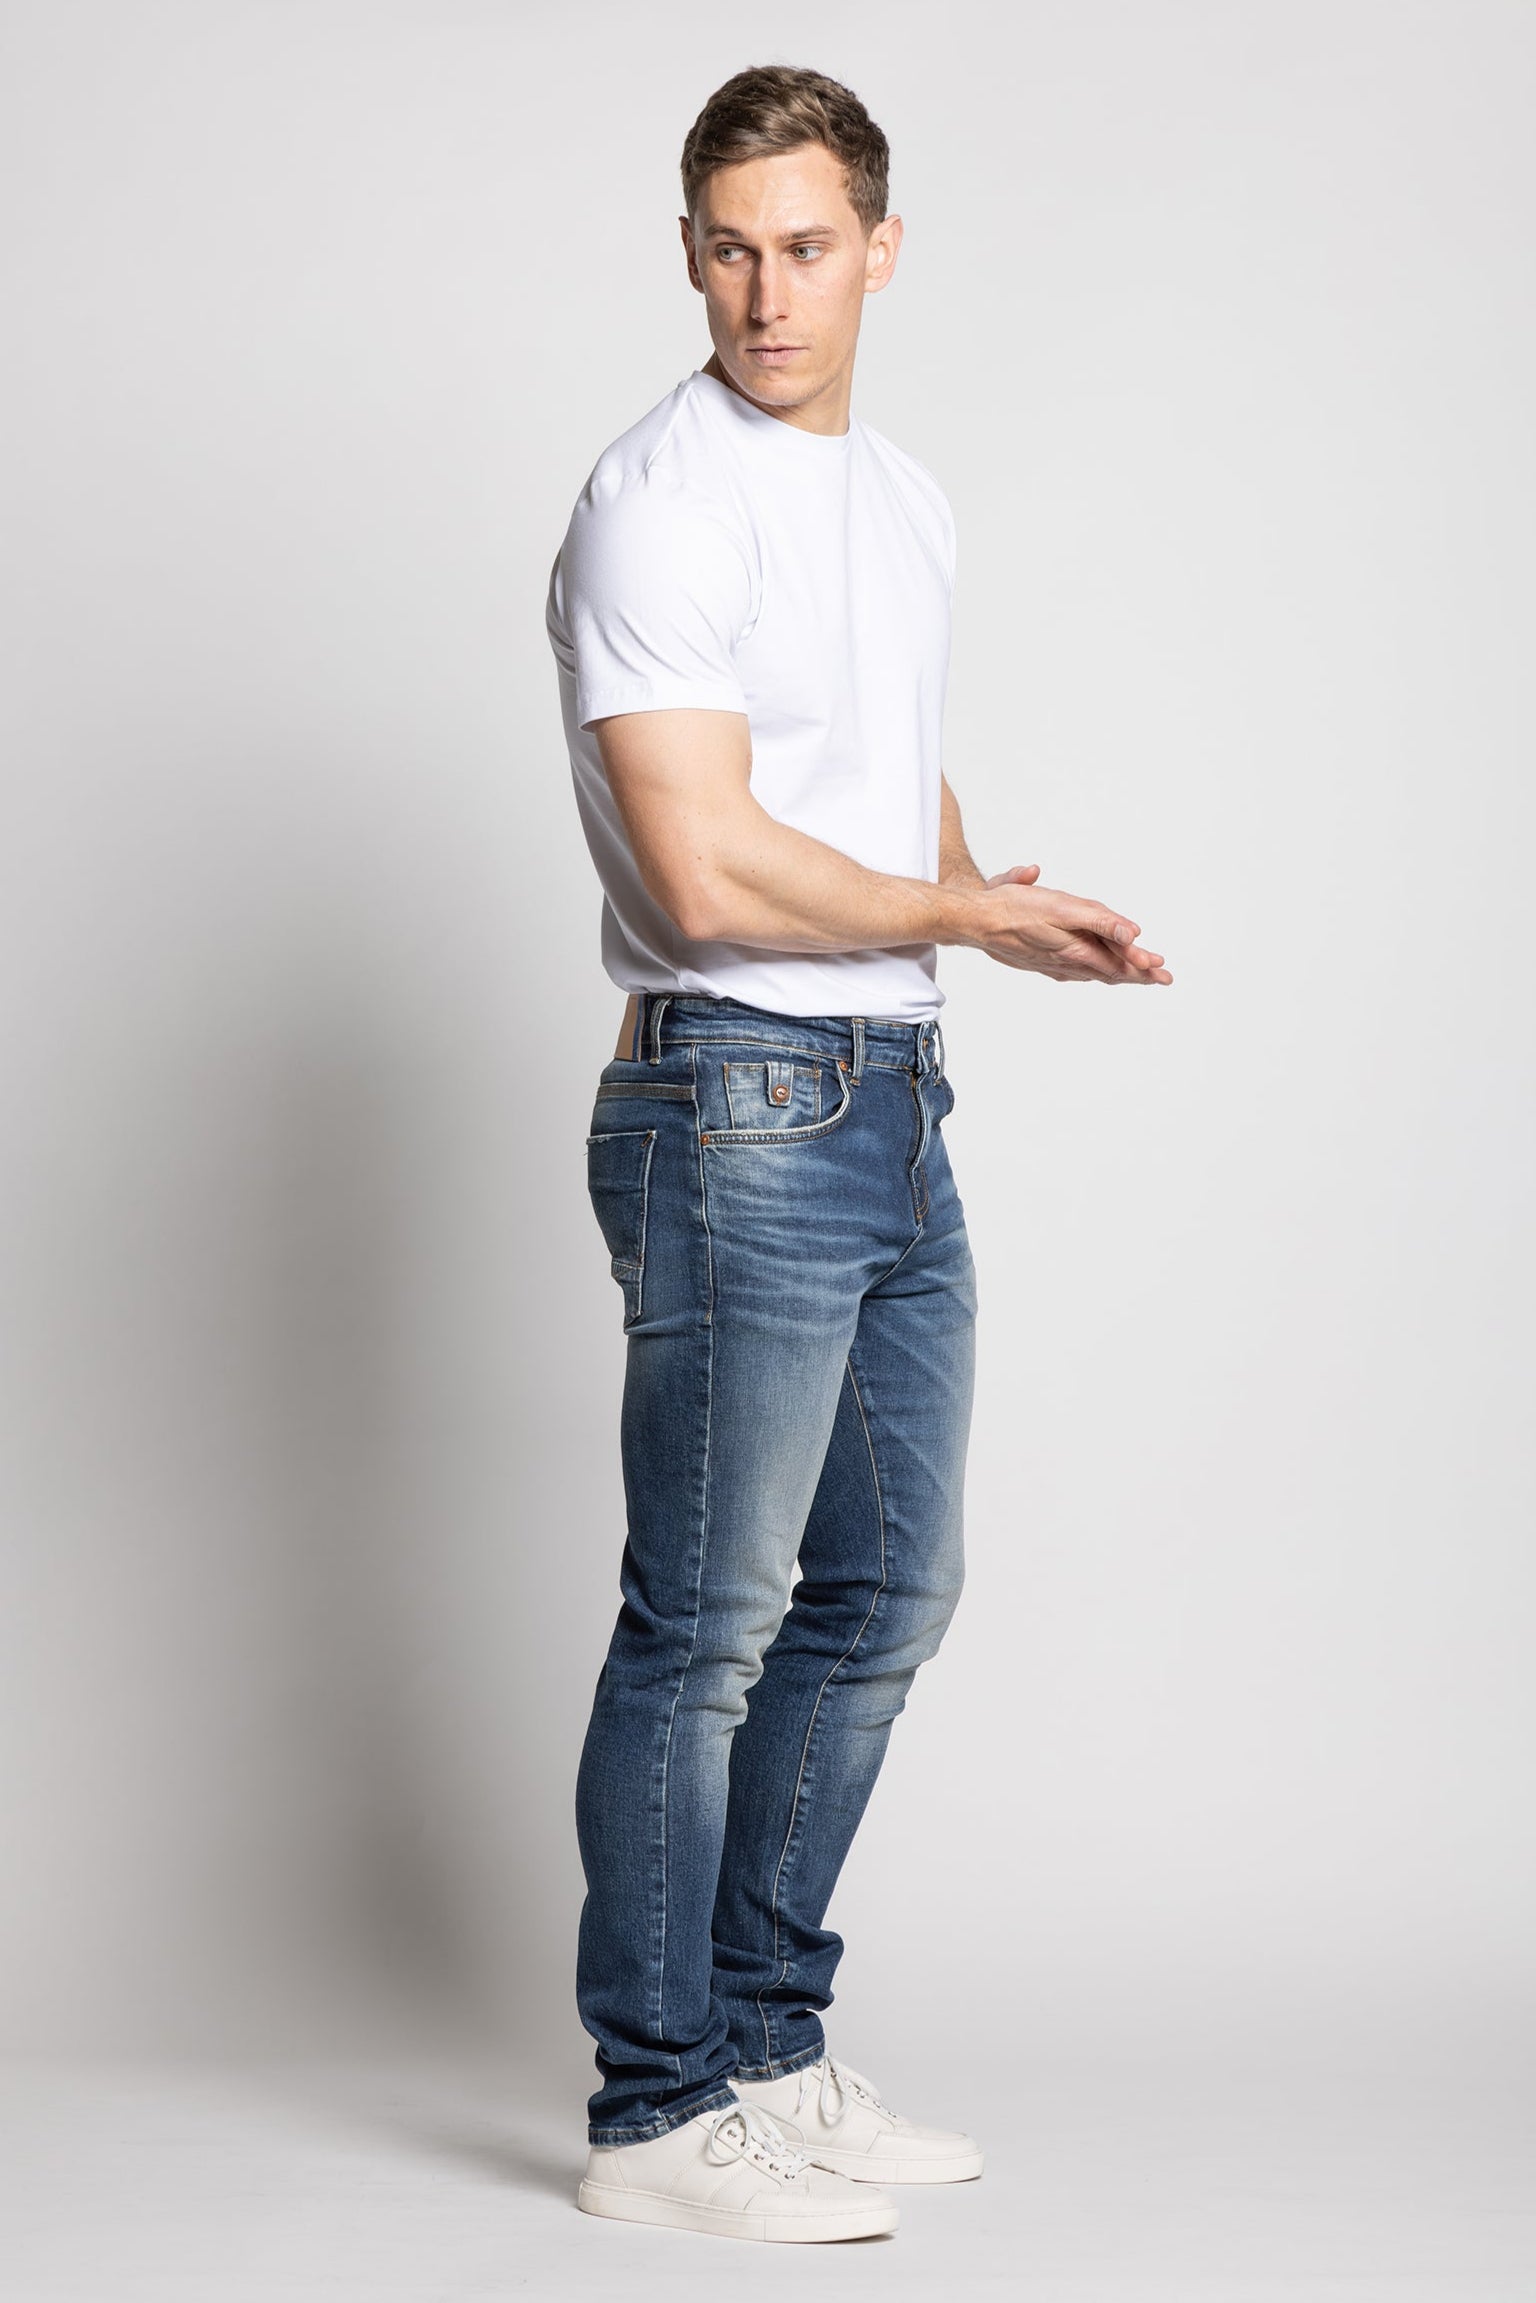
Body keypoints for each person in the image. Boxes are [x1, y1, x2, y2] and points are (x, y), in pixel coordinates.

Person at [544, 62, 1172, 2247]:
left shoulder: (899, 497)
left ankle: (768, 2053)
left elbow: (874, 782)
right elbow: (710, 870)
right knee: (703, 1623)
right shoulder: (659, 502)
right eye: (726, 244)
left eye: (806, 244)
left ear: (880, 250)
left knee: (887, 1591)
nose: (764, 288)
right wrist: (959, 917)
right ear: (687, 249)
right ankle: (652, 2115)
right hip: (737, 1093)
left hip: (890, 1091)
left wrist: (1007, 900)